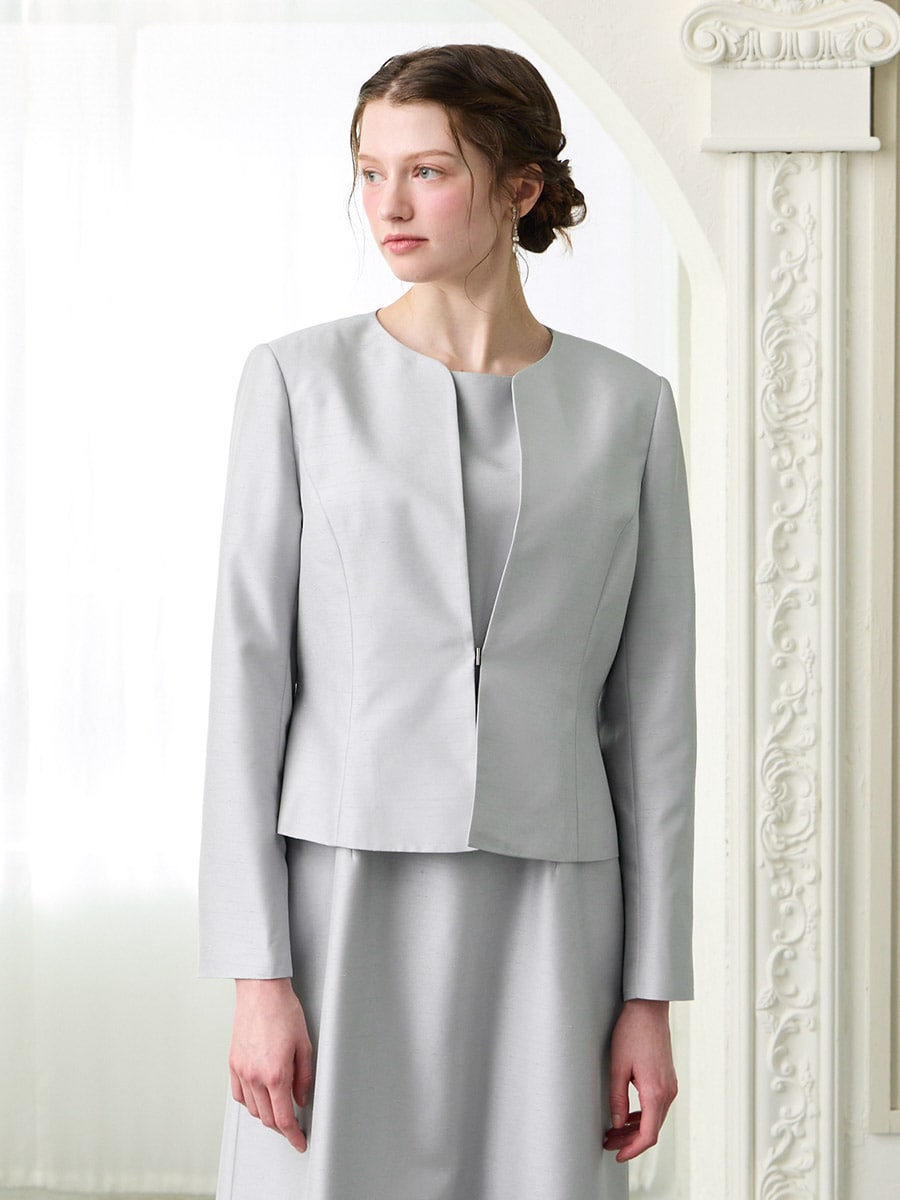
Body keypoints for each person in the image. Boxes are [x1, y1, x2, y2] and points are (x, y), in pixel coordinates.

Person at [199, 43, 695, 1200]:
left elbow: (656, 718)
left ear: (521, 187)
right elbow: (248, 682)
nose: (389, 205)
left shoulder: (630, 409)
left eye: (427, 171)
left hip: (556, 909)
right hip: (341, 895)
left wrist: (649, 995)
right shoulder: (297, 383)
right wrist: (256, 975)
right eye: (371, 172)